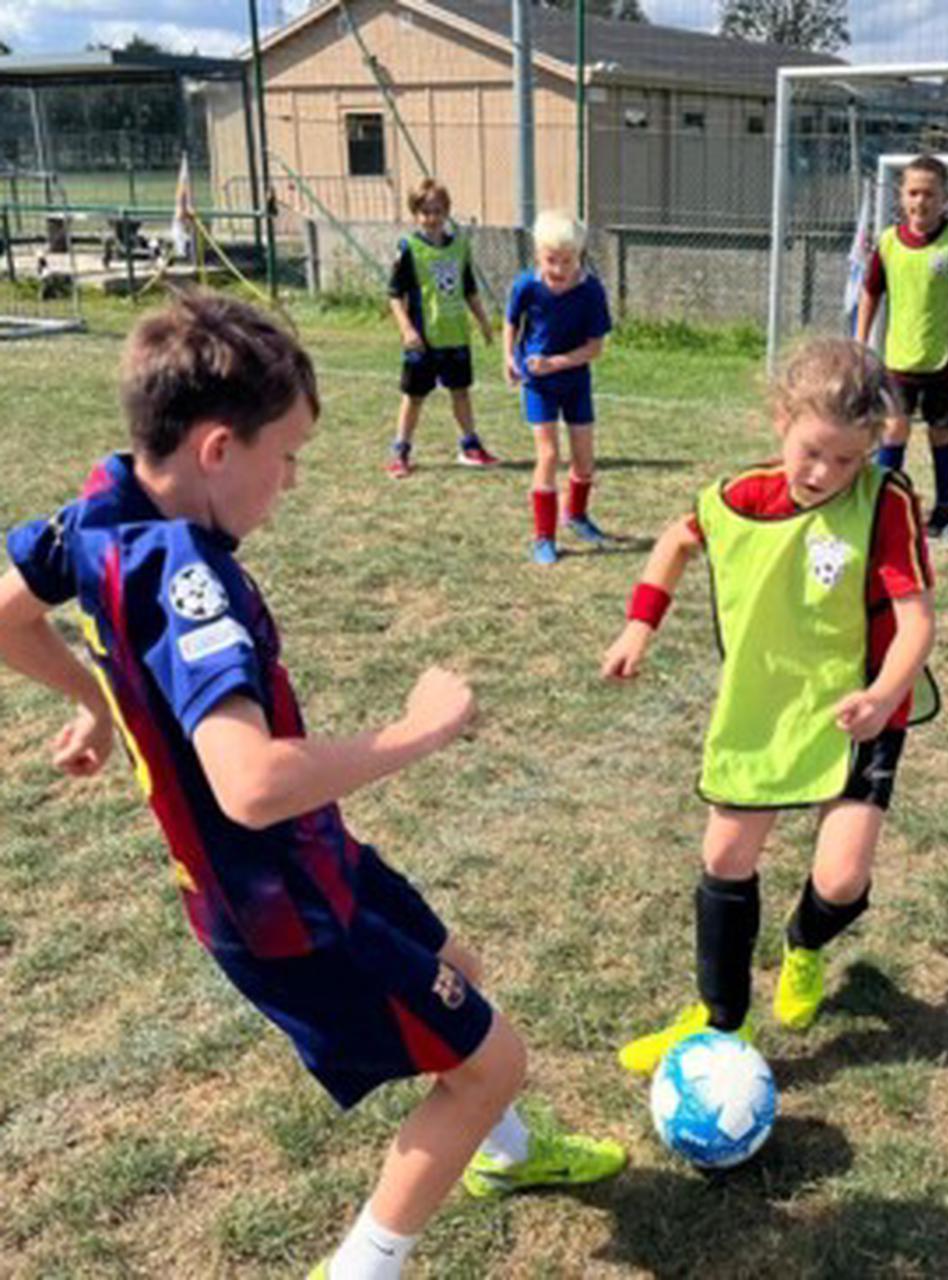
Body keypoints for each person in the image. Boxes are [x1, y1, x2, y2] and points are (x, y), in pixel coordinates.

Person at [0, 293, 624, 1280]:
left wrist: (94, 697)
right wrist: (419, 728)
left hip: (305, 859)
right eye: (283, 456)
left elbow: (6, 614)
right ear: (215, 447)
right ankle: (361, 1268)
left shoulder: (99, 506)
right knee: (492, 1059)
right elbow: (248, 784)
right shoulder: (185, 577)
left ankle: (502, 1150)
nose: (289, 482)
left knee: (452, 956)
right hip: (282, 903)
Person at [601, 337, 936, 1074]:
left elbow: (917, 622)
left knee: (842, 878)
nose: (828, 475)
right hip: (772, 705)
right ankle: (720, 1023)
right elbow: (676, 541)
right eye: (814, 452)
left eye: (849, 459)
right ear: (780, 418)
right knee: (724, 854)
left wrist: (882, 696)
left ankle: (805, 943)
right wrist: (638, 625)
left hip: (864, 709)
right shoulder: (741, 497)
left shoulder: (884, 502)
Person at [855, 153, 948, 540]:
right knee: (893, 431)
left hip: (946, 361)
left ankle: (944, 513)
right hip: (899, 360)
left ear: (945, 198)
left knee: (941, 433)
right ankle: (883, 513)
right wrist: (859, 343)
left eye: (929, 193)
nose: (920, 201)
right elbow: (871, 292)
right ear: (900, 196)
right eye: (913, 192)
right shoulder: (888, 243)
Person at [504, 209, 612, 565]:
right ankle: (544, 537)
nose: (559, 269)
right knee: (548, 455)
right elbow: (510, 321)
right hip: (538, 385)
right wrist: (509, 358)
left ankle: (577, 516)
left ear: (578, 257)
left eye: (567, 260)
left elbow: (595, 348)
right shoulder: (526, 286)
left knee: (584, 462)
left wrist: (556, 363)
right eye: (552, 260)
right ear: (538, 256)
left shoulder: (591, 291)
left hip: (574, 381)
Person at [386, 178, 499, 477]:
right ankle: (400, 451)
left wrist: (484, 322)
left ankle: (470, 446)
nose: (431, 218)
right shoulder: (409, 248)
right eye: (424, 212)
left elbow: (469, 289)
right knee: (414, 397)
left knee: (460, 392)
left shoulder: (459, 246)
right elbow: (394, 295)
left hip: (455, 337)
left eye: (437, 211)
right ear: (415, 214)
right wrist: (407, 330)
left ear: (447, 211)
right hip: (424, 340)